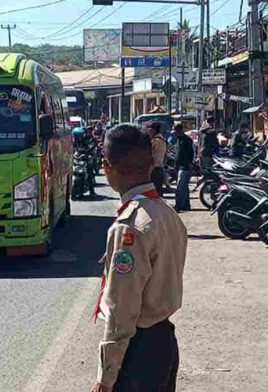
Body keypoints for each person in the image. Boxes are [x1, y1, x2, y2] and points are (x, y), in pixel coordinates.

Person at [91, 124, 187, 392]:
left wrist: (105, 376)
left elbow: (123, 311)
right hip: (164, 342)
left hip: (137, 353)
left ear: (107, 167)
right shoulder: (166, 214)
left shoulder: (129, 226)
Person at [174, 123, 195, 212]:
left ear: (180, 130)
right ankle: (185, 205)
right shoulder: (178, 140)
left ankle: (179, 205)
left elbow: (191, 153)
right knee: (184, 187)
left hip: (185, 166)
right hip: (180, 166)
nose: (175, 133)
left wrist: (190, 164)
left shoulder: (187, 140)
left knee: (180, 187)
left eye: (176, 131)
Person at [72, 127, 97, 197]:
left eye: (79, 136)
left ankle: (92, 191)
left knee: (89, 172)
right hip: (77, 159)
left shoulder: (87, 140)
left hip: (86, 157)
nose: (78, 138)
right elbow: (70, 149)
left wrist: (89, 155)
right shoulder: (73, 141)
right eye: (76, 136)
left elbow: (91, 148)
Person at [145, 121, 167, 196]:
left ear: (154, 130)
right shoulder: (162, 139)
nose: (148, 131)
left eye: (149, 129)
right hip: (159, 169)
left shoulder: (155, 141)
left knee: (153, 195)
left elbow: (148, 153)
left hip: (154, 170)